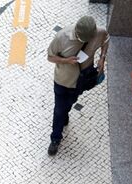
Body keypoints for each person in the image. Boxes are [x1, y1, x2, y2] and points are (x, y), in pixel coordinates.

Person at [46, 15, 109, 156]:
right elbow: (50, 57)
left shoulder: (98, 32)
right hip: (63, 80)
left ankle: (65, 113)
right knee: (58, 110)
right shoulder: (62, 37)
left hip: (81, 80)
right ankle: (55, 138)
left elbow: (106, 39)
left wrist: (102, 58)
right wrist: (67, 60)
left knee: (70, 102)